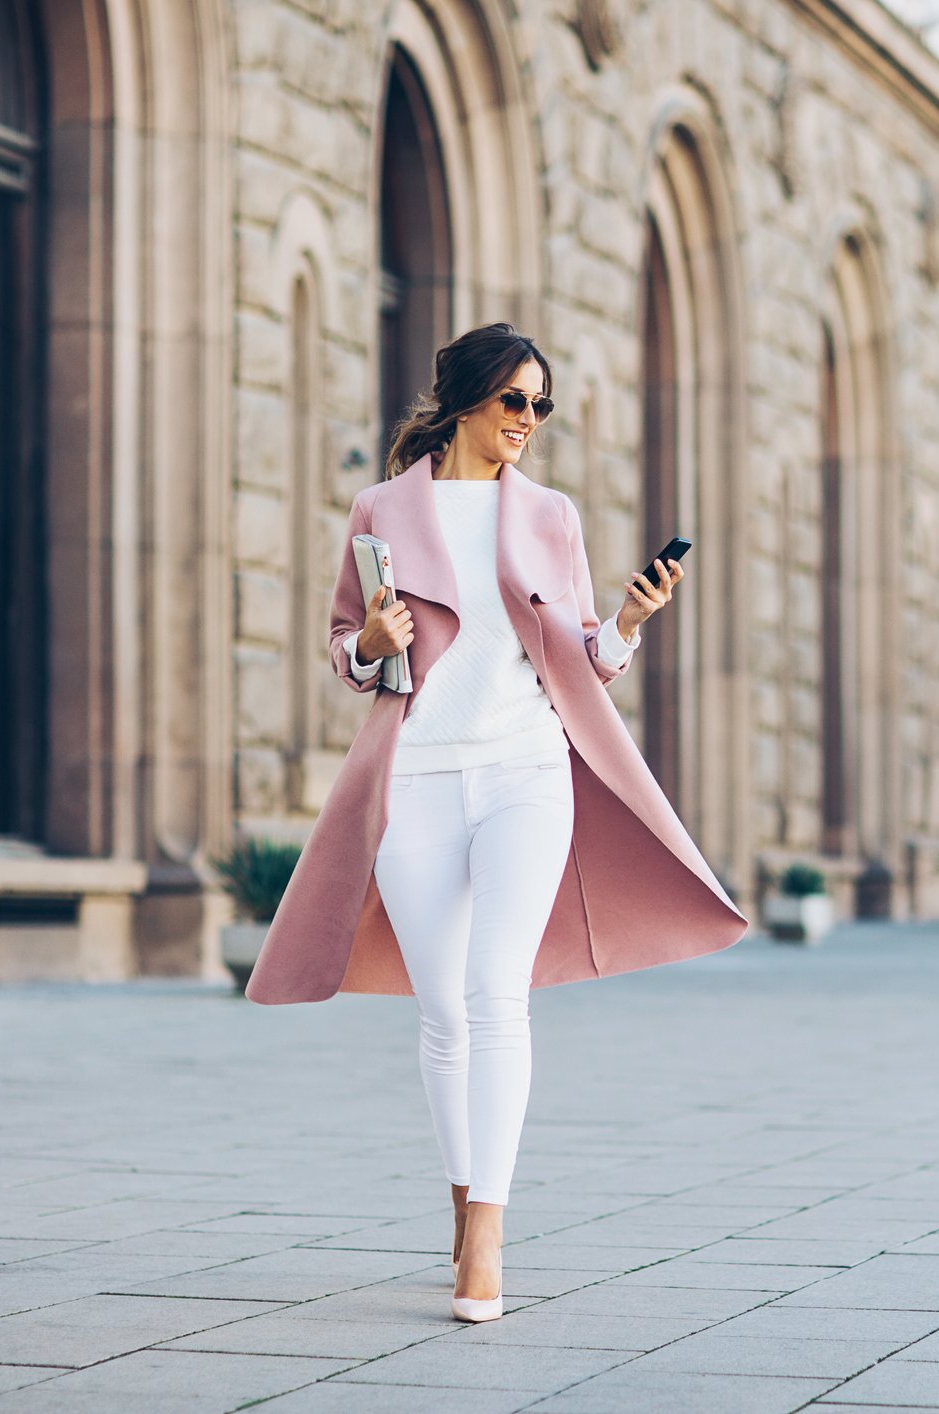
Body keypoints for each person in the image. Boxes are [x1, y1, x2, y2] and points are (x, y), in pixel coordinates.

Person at [244, 324, 749, 1323]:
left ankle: (488, 1231)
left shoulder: (552, 516)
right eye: (516, 401)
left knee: (496, 993)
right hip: (420, 779)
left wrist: (631, 624)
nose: (529, 422)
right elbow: (346, 649)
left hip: (527, 772)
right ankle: (460, 1195)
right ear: (468, 398)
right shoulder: (382, 508)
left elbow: (578, 654)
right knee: (443, 1013)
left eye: (541, 406)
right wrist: (374, 642)